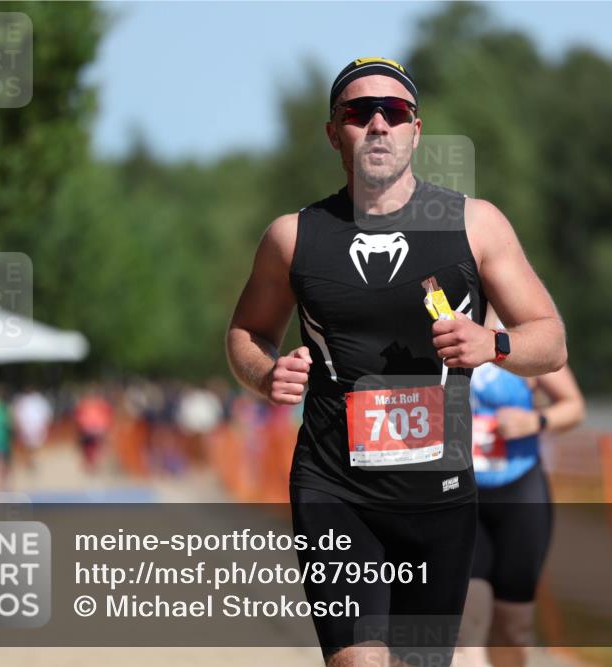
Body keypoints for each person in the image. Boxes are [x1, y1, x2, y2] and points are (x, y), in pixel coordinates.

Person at [226, 56, 567, 667]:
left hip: (438, 497)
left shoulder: (475, 225)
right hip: (334, 485)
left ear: (415, 129)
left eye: (395, 111)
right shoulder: (293, 237)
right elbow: (247, 333)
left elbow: (551, 340)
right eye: (359, 112)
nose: (378, 123)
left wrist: (496, 346)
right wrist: (264, 372)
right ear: (335, 132)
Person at [454, 305, 585, 667]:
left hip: (519, 489)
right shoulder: (441, 327)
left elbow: (573, 406)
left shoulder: (520, 335)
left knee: (513, 626)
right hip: (459, 491)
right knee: (468, 613)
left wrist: (535, 420)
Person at [11, 387, 53, 471]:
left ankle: (33, 460)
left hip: (33, 426)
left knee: (34, 445)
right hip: (29, 426)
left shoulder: (31, 400)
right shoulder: (25, 400)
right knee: (30, 445)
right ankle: (32, 460)